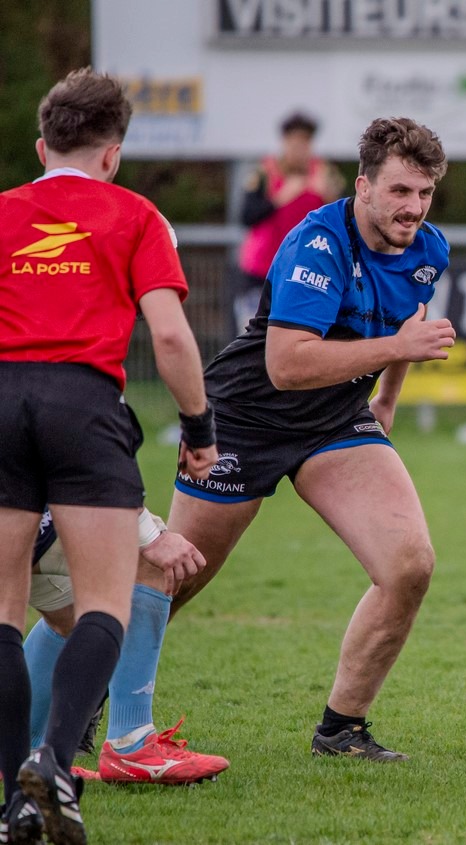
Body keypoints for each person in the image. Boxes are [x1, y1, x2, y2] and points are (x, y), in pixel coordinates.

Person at [163, 116, 457, 763]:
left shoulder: (428, 247)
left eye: (425, 193)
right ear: (363, 186)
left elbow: (411, 318)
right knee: (170, 582)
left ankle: (341, 729)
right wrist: (396, 349)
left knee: (408, 565)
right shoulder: (316, 243)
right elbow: (286, 365)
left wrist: (386, 395)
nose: (413, 207)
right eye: (401, 191)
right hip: (245, 418)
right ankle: (81, 694)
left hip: (335, 420)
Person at [0, 68, 217, 845]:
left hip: (1, 399)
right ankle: (55, 763)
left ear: (41, 145)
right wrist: (198, 428)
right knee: (104, 602)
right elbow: (168, 335)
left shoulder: (2, 213)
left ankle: (14, 801)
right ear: (112, 155)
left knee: (4, 607)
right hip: (82, 402)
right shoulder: (135, 215)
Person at [25, 406, 229, 787]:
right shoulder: (82, 359)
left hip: (21, 486)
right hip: (23, 497)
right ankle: (131, 744)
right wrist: (150, 535)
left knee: (67, 614)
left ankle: (20, 750)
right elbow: (86, 449)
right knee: (150, 562)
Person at [234, 111, 344, 332]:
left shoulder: (324, 174)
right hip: (261, 270)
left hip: (305, 268)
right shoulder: (265, 173)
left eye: (305, 143)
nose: (299, 149)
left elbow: (344, 217)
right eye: (294, 142)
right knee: (252, 332)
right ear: (284, 142)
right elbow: (246, 216)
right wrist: (279, 198)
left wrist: (328, 196)